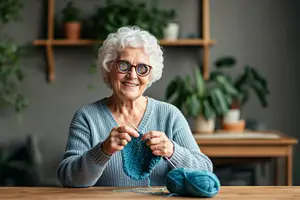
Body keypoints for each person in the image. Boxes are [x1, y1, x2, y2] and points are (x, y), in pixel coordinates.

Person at [57, 26, 213, 188]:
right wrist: (103, 151)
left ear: (150, 75)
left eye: (142, 68)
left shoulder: (170, 115)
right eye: (124, 65)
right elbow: (69, 179)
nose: (132, 75)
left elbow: (206, 173)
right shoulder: (87, 117)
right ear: (109, 68)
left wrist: (173, 151)